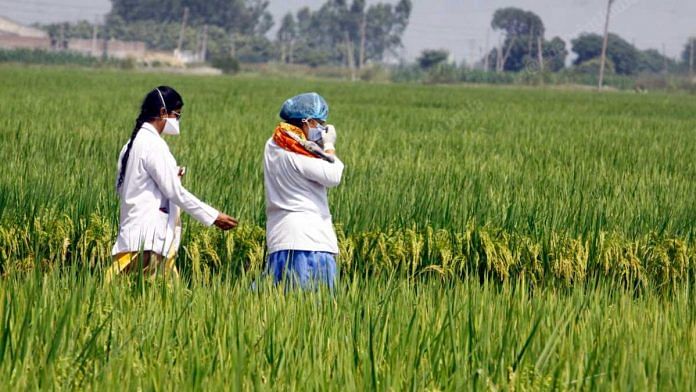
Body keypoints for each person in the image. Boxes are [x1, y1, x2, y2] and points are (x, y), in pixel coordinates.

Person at [107, 86, 237, 281]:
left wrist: (172, 174)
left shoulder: (132, 144)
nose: (177, 120)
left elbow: (128, 187)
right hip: (149, 240)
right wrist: (213, 216)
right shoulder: (154, 145)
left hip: (132, 236)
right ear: (162, 112)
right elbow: (175, 192)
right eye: (177, 115)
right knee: (153, 297)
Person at [263, 92, 344, 291]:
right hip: (308, 242)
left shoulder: (275, 143)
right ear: (306, 122)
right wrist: (330, 147)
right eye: (319, 123)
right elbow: (333, 174)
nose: (322, 129)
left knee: (280, 305)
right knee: (314, 309)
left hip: (281, 238)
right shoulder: (297, 152)